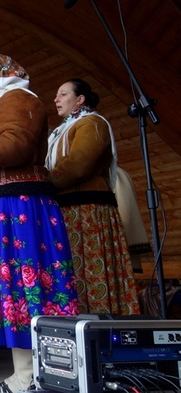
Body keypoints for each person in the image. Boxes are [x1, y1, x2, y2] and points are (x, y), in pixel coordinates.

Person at [0, 52, 79, 393]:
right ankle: (26, 373)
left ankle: (36, 375)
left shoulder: (18, 98)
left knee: (25, 289)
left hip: (14, 210)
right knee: (11, 292)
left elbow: (17, 143)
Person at [47, 78, 140, 315]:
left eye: (63, 94)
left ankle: (102, 326)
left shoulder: (92, 123)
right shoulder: (61, 131)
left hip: (88, 212)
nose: (56, 99)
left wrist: (43, 183)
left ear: (80, 99)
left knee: (91, 270)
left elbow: (80, 164)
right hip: (68, 209)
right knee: (74, 272)